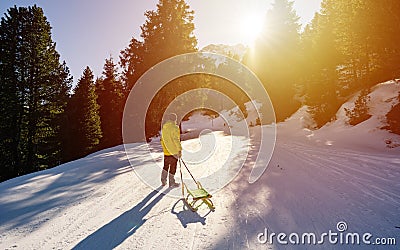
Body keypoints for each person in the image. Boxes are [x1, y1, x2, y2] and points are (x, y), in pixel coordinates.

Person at [160, 113, 182, 187]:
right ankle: (171, 182)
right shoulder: (175, 128)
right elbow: (176, 139)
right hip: (173, 151)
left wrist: (164, 148)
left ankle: (163, 180)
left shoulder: (164, 127)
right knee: (173, 167)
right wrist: (179, 149)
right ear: (175, 119)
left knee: (165, 166)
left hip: (166, 151)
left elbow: (162, 140)